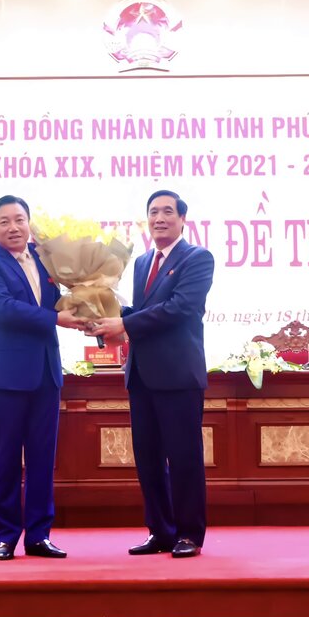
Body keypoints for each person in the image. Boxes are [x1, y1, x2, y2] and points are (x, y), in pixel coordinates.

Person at [88, 189, 214, 558]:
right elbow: (144, 309)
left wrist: (122, 325)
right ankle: (160, 531)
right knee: (148, 458)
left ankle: (189, 533)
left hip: (177, 376)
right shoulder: (143, 262)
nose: (160, 218)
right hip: (142, 374)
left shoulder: (197, 258)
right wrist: (98, 307)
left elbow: (178, 309)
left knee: (184, 456)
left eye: (167, 212)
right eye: (153, 212)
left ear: (182, 219)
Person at [0, 194, 85, 560]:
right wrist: (55, 319)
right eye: (4, 221)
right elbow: (1, 309)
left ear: (29, 223)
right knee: (4, 459)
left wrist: (94, 307)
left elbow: (62, 301)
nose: (14, 227)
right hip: (8, 375)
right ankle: (4, 536)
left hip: (46, 373)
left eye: (19, 219)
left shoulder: (45, 257)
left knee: (41, 459)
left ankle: (38, 535)